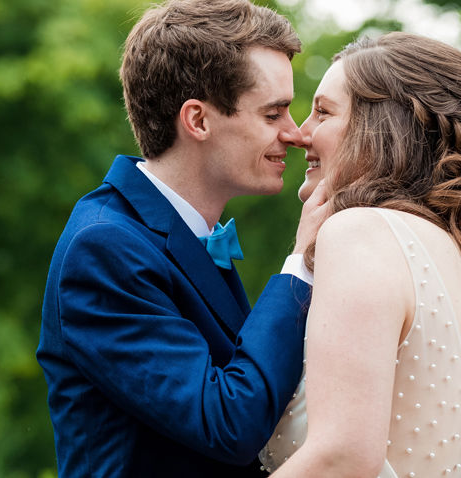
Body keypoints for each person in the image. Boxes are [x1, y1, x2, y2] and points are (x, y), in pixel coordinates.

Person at [36, 1, 328, 476]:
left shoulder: (185, 233)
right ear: (198, 120)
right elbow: (228, 423)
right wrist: (302, 265)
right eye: (274, 113)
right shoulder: (104, 249)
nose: (295, 134)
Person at [260, 33, 461, 477]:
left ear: (382, 127)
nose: (300, 133)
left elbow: (341, 457)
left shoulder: (360, 234)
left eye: (323, 112)